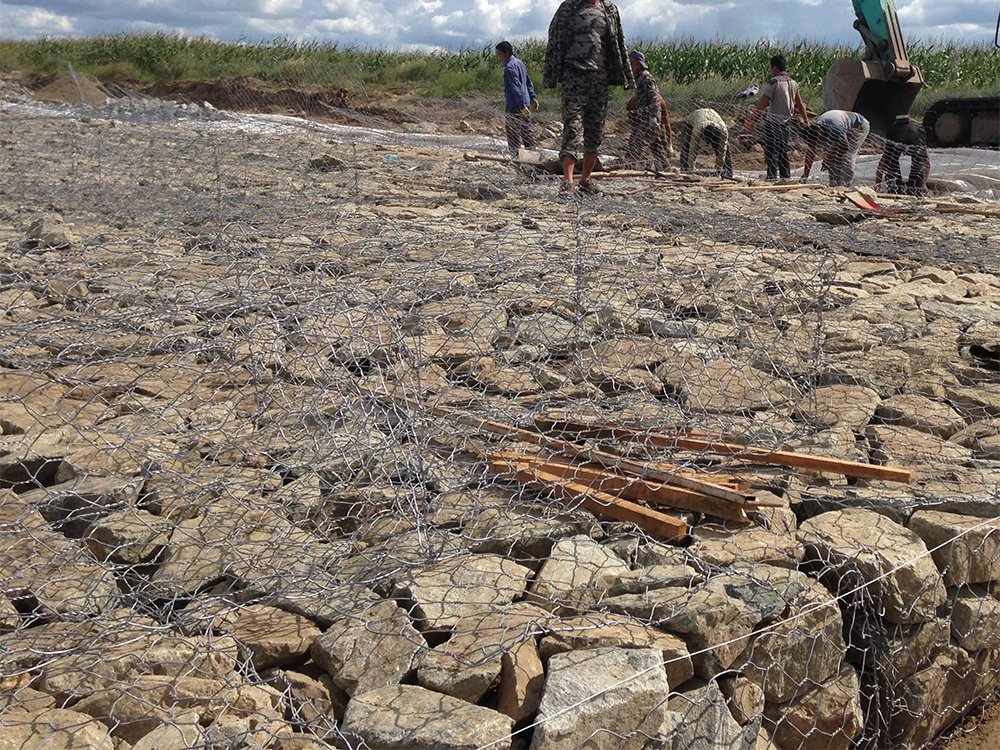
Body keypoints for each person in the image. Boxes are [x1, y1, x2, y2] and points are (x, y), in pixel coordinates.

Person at [544, 0, 634, 193]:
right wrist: (553, 73)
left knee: (595, 130)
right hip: (574, 76)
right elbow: (556, 38)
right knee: (572, 128)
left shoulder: (609, 10)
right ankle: (567, 182)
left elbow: (618, 42)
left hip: (599, 80)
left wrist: (625, 75)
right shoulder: (569, 7)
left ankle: (586, 180)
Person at [742, 54, 809, 180]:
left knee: (771, 152)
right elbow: (799, 104)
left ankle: (771, 177)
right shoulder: (793, 83)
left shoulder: (773, 82)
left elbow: (763, 103)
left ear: (774, 68)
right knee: (783, 151)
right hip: (786, 123)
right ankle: (785, 177)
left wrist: (750, 121)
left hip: (773, 123)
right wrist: (806, 120)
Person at [625, 50, 673, 171]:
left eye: (630, 63)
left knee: (635, 145)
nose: (629, 66)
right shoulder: (639, 77)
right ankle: (666, 170)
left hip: (648, 120)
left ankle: (631, 170)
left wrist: (653, 118)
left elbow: (655, 99)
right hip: (644, 118)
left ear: (636, 63)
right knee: (657, 149)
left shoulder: (646, 77)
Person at [802, 109, 870, 187]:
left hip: (858, 126)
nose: (819, 144)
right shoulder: (813, 131)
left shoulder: (834, 128)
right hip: (841, 129)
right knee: (833, 159)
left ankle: (845, 187)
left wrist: (828, 159)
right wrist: (805, 175)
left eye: (819, 141)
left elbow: (845, 146)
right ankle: (834, 186)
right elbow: (810, 153)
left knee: (846, 157)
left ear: (820, 134)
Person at [496, 41, 538, 157]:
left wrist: (521, 106)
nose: (499, 57)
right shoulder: (520, 63)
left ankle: (516, 159)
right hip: (526, 103)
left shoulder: (509, 67)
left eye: (499, 54)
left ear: (506, 53)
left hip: (515, 105)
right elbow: (528, 82)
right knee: (526, 131)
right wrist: (532, 98)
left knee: (513, 134)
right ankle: (533, 157)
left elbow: (516, 88)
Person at [876, 115, 930, 195]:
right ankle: (916, 189)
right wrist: (922, 183)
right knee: (918, 162)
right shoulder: (918, 133)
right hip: (916, 131)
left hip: (897, 131)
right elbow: (927, 163)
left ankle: (895, 188)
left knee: (891, 161)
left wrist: (878, 183)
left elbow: (883, 162)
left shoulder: (895, 133)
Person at [680, 108, 733, 178]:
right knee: (687, 145)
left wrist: (719, 167)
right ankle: (685, 170)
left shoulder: (723, 131)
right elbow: (693, 148)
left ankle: (728, 172)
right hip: (695, 118)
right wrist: (691, 167)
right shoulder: (698, 129)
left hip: (713, 118)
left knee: (725, 148)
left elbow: (723, 149)